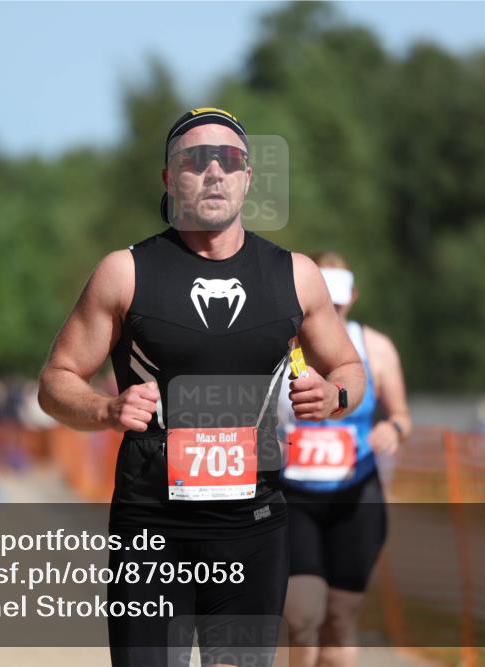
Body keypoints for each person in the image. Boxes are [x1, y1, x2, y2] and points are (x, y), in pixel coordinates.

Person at [39, 107, 366, 667]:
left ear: (248, 177)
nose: (213, 171)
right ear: (170, 178)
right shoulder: (127, 272)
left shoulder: (294, 275)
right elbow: (55, 382)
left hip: (253, 530)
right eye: (195, 159)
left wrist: (332, 396)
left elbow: (351, 372)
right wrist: (105, 409)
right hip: (151, 528)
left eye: (229, 159)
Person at [279, 252, 411, 667]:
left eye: (339, 300)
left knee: (339, 619)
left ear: (353, 296)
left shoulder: (376, 348)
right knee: (302, 617)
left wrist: (393, 430)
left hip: (356, 495)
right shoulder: (281, 346)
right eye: (324, 298)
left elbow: (401, 416)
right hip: (292, 495)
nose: (332, 308)